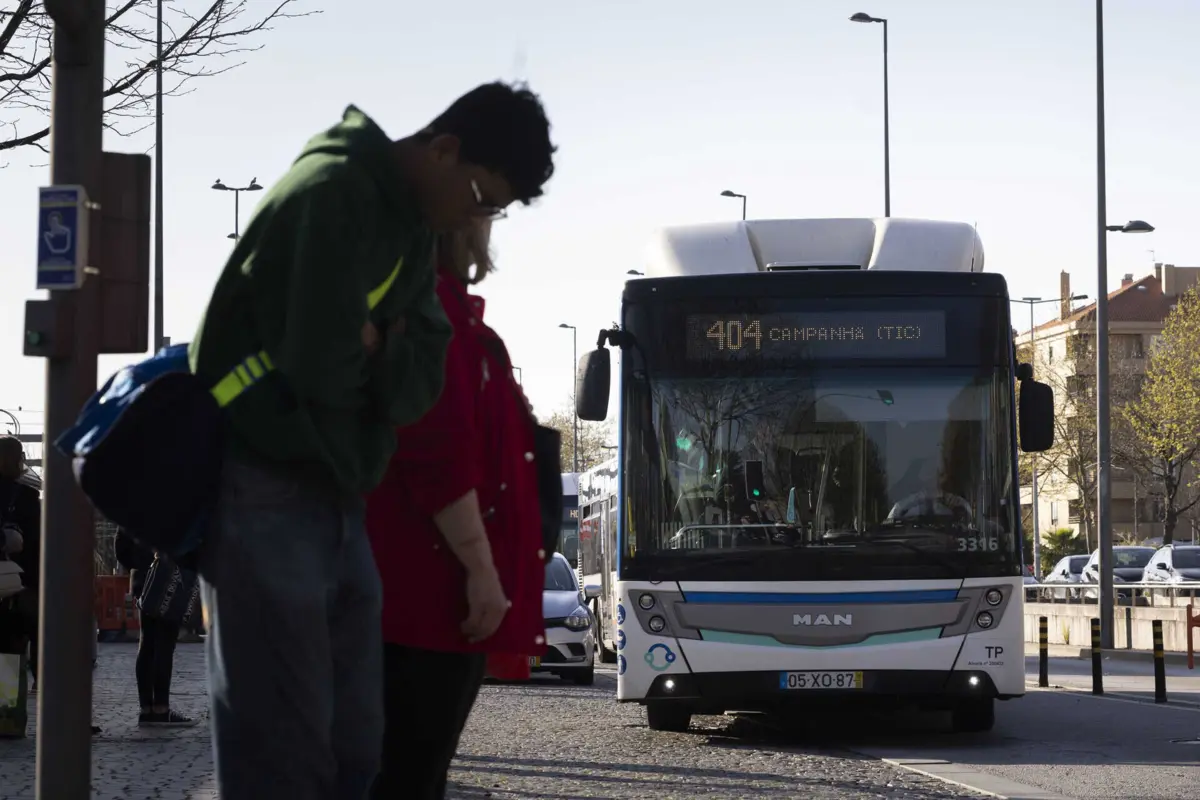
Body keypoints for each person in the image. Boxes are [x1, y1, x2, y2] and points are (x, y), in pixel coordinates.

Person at [190, 81, 556, 800]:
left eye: (496, 209)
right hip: (271, 478)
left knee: (357, 750)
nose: (479, 218)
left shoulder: (407, 224)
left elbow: (415, 373)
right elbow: (323, 366)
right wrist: (381, 357)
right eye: (482, 196)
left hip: (337, 488)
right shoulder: (335, 193)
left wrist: (378, 343)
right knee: (286, 751)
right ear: (444, 149)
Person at [366, 218, 551, 800]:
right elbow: (436, 451)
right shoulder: (432, 315)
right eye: (487, 208)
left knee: (414, 776)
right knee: (410, 779)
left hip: (430, 599)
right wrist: (481, 571)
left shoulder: (449, 316)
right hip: (430, 598)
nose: (490, 227)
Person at [115, 529, 196, 727]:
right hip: (171, 576)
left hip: (143, 579)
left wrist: (140, 564)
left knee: (147, 642)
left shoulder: (131, 501)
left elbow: (121, 547)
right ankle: (161, 708)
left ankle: (146, 708)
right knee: (165, 644)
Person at [0, 436, 40, 692]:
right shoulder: (26, 495)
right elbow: (36, 542)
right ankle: (7, 711)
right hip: (21, 581)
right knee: (16, 642)